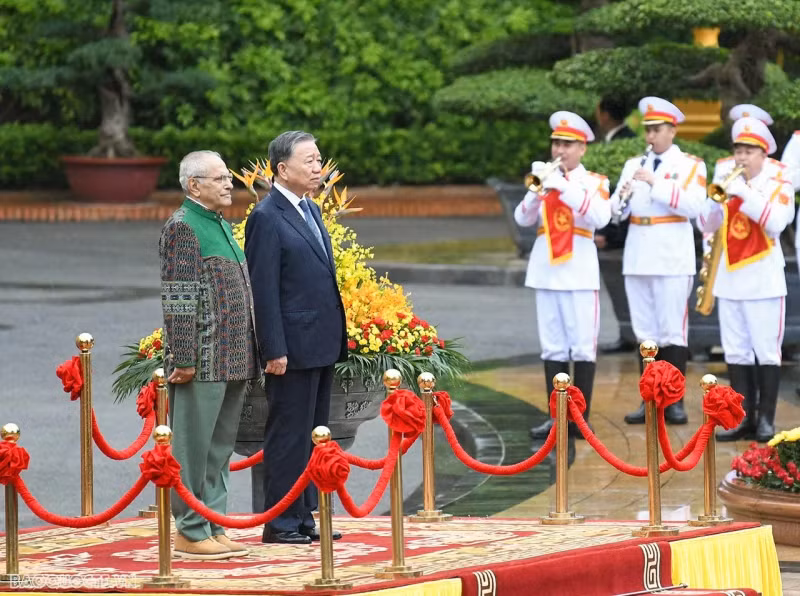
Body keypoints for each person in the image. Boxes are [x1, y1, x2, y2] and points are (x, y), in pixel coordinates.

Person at [244, 130, 347, 544]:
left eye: (319, 159)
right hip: (291, 348)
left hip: (319, 342)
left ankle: (305, 516)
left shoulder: (311, 209)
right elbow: (263, 288)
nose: (318, 167)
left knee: (314, 433)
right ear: (282, 169)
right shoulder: (267, 216)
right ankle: (282, 522)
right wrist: (274, 348)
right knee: (288, 435)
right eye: (310, 160)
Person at [160, 150, 258, 560]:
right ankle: (190, 529)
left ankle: (213, 524)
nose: (228, 185)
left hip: (233, 357)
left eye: (228, 179)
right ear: (193, 185)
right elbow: (178, 298)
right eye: (219, 179)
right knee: (193, 450)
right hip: (201, 359)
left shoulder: (218, 224)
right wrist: (182, 357)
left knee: (218, 451)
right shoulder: (183, 227)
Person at [611, 97, 707, 426]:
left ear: (672, 130)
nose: (650, 136)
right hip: (638, 252)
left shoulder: (691, 165)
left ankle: (675, 401)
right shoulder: (632, 163)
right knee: (645, 332)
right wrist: (619, 203)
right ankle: (650, 399)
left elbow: (695, 207)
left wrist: (656, 182)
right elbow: (616, 209)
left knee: (672, 331)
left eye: (657, 129)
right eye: (648, 129)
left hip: (671, 255)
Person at [516, 111, 611, 440]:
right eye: (556, 142)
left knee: (582, 347)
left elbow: (600, 216)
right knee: (553, 347)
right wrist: (536, 192)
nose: (560, 150)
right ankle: (556, 418)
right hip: (546, 271)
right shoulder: (545, 178)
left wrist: (564, 187)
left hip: (579, 272)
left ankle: (580, 419)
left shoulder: (594, 182)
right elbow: (522, 218)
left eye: (568, 144)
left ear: (582, 148)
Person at [699, 117, 794, 442]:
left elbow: (777, 222)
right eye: (738, 149)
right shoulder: (726, 177)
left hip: (764, 281)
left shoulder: (779, 182)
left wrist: (744, 193)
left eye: (749, 151)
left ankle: (765, 420)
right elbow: (705, 223)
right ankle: (741, 420)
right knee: (736, 351)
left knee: (766, 351)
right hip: (730, 278)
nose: (741, 157)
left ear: (763, 154)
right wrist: (715, 202)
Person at [594, 95, 638, 354]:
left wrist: (611, 236)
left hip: (624, 232)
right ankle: (628, 332)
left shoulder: (626, 144)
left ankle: (630, 333)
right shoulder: (616, 142)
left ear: (605, 114)